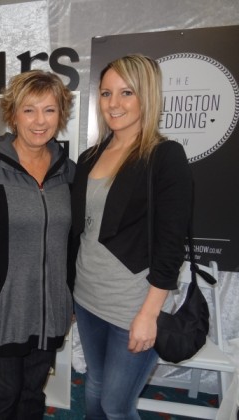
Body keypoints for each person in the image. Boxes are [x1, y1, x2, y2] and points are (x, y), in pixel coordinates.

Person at [70, 54, 193, 418]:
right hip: (88, 296)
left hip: (133, 305)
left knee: (116, 405)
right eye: (106, 93)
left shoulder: (164, 156)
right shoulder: (91, 156)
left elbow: (172, 245)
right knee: (94, 383)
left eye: (126, 93)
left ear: (147, 96)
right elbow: (83, 231)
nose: (114, 104)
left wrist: (149, 314)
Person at [0, 69, 75, 419]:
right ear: (13, 115)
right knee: (5, 394)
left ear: (60, 115)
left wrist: (68, 295)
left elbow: (71, 242)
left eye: (50, 110)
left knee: (33, 393)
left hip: (50, 306)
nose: (40, 121)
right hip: (3, 306)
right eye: (29, 110)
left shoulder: (69, 172)